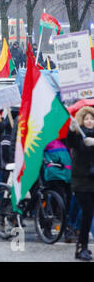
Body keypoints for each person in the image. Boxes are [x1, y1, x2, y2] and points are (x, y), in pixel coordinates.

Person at [66, 106, 94, 261]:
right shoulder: (78, 134)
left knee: (89, 214)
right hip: (81, 180)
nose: (89, 121)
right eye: (86, 118)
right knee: (87, 212)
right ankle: (81, 247)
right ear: (82, 120)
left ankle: (82, 247)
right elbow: (70, 142)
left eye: (92, 118)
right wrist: (72, 129)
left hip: (93, 180)